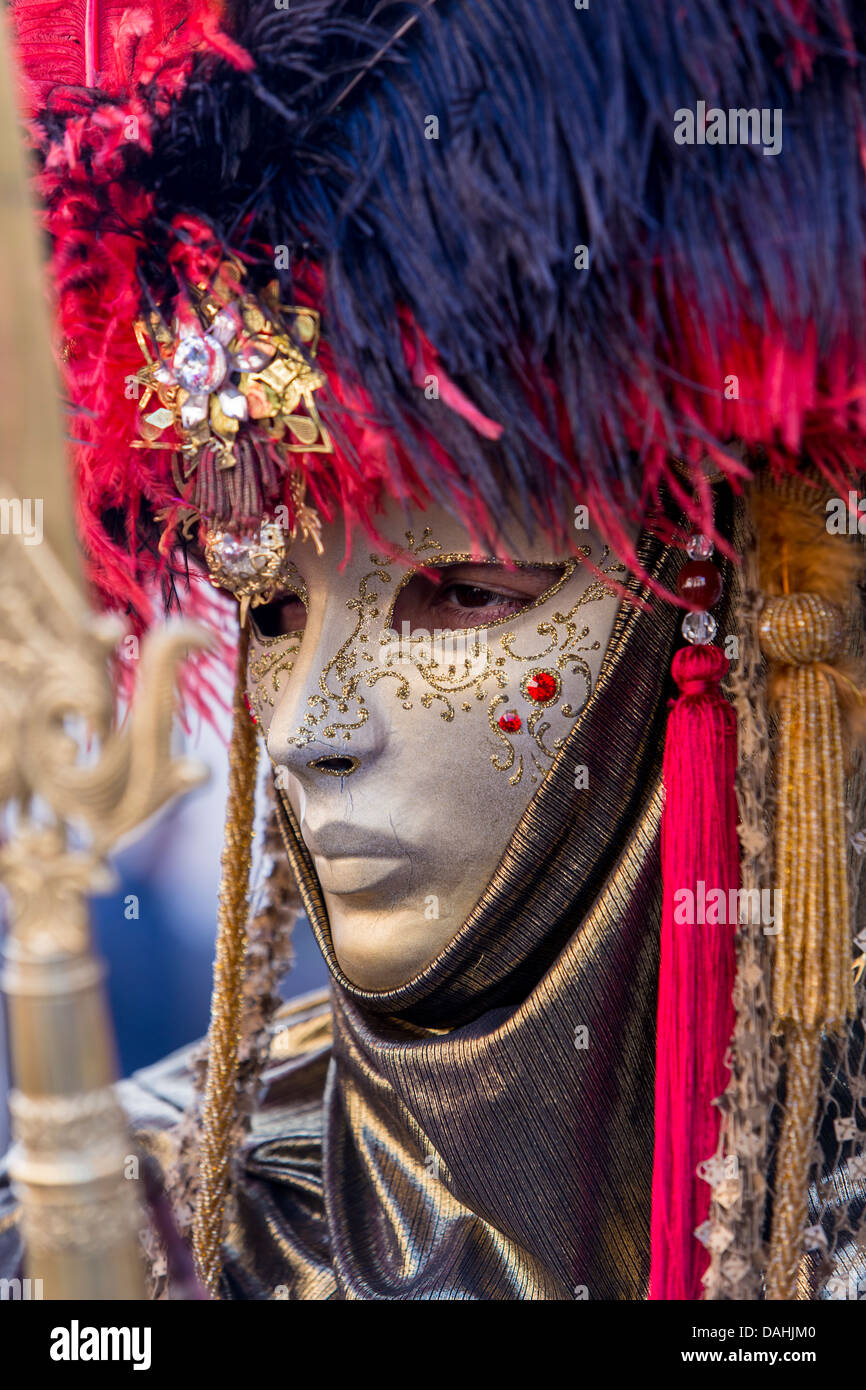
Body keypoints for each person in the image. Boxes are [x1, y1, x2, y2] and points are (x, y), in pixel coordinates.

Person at [3, 0, 866, 1301]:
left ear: (722, 615)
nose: (304, 729)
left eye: (460, 592)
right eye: (272, 611)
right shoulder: (128, 1242)